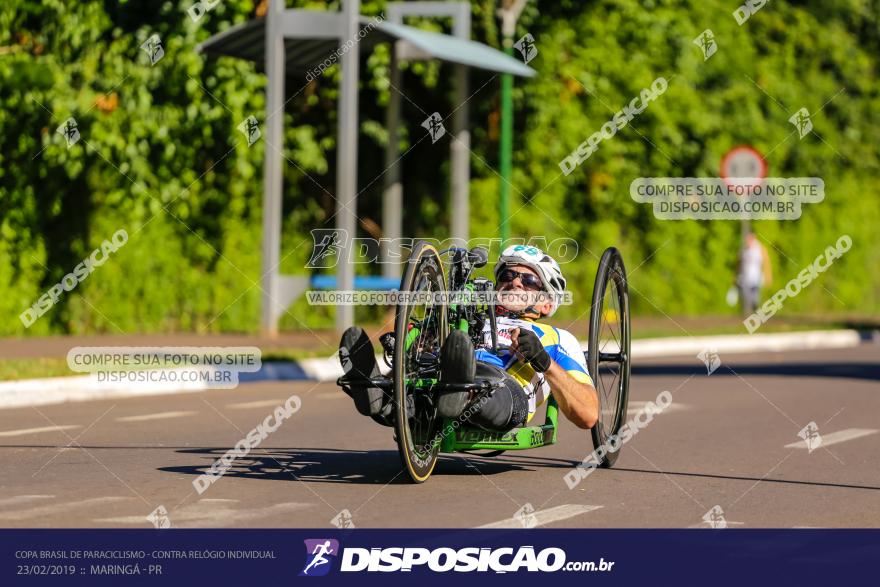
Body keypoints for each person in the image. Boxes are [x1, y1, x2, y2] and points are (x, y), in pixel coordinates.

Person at [338, 245, 599, 432]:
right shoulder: (468, 315)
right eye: (508, 276)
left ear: (545, 303)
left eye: (529, 280)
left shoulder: (558, 338)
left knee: (483, 379)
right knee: (424, 376)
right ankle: (376, 390)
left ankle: (461, 391)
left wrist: (543, 360)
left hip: (504, 389)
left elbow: (588, 415)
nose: (515, 283)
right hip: (439, 374)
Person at [737, 232, 772, 314]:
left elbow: (766, 263)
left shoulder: (760, 249)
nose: (747, 241)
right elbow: (739, 263)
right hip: (745, 277)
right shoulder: (744, 249)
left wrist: (768, 276)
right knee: (745, 294)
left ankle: (755, 309)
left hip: (756, 277)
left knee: (755, 295)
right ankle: (748, 310)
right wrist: (737, 274)